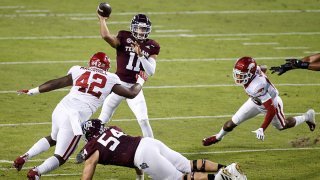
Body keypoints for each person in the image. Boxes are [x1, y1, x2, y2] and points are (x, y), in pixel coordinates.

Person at [12, 52, 148, 179]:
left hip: (60, 109)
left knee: (54, 137)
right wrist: (141, 80)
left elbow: (56, 83)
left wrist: (32, 91)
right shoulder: (111, 78)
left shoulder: (79, 69)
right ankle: (37, 172)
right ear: (107, 66)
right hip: (74, 118)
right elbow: (131, 93)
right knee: (61, 157)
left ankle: (24, 157)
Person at [80, 119, 247, 180]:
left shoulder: (92, 147)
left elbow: (87, 175)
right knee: (188, 165)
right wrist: (140, 178)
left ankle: (220, 179)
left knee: (178, 178)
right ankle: (228, 168)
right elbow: (127, 150)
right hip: (148, 143)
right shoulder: (113, 130)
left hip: (142, 155)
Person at [202, 56, 316, 146]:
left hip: (273, 103)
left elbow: (270, 110)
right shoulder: (254, 73)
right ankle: (218, 137)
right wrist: (263, 74)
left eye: (241, 75)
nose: (238, 77)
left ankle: (307, 116)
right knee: (230, 124)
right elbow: (263, 67)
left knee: (282, 126)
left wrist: (262, 128)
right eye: (237, 74)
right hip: (255, 101)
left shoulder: (256, 86)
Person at [96, 12, 160, 139]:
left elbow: (151, 71)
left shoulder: (152, 45)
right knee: (102, 119)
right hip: (118, 85)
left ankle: (153, 148)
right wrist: (102, 20)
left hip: (135, 87)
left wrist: (141, 55)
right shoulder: (124, 37)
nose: (141, 32)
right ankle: (90, 146)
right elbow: (106, 36)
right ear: (132, 27)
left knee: (143, 121)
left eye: (144, 29)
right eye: (138, 28)